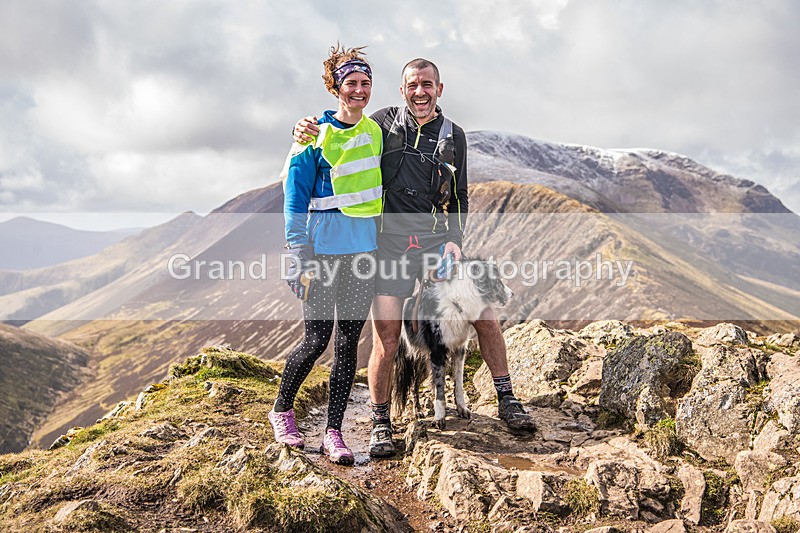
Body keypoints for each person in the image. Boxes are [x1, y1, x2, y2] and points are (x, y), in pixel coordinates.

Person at [294, 58, 535, 459]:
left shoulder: (453, 135)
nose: (419, 91)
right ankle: (380, 424)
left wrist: (455, 240)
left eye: (427, 84)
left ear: (439, 89)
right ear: (402, 89)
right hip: (387, 246)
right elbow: (340, 126)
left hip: (438, 244)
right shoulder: (382, 123)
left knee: (485, 315)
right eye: (412, 85)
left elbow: (459, 195)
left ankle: (507, 399)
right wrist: (304, 129)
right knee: (387, 338)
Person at [269, 44, 382, 466]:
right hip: (321, 254)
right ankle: (282, 410)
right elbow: (294, 198)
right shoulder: (313, 134)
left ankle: (333, 433)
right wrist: (296, 252)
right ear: (335, 86)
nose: (359, 90)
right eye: (351, 83)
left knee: (349, 344)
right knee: (317, 340)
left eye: (365, 83)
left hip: (363, 253)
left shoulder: (375, 131)